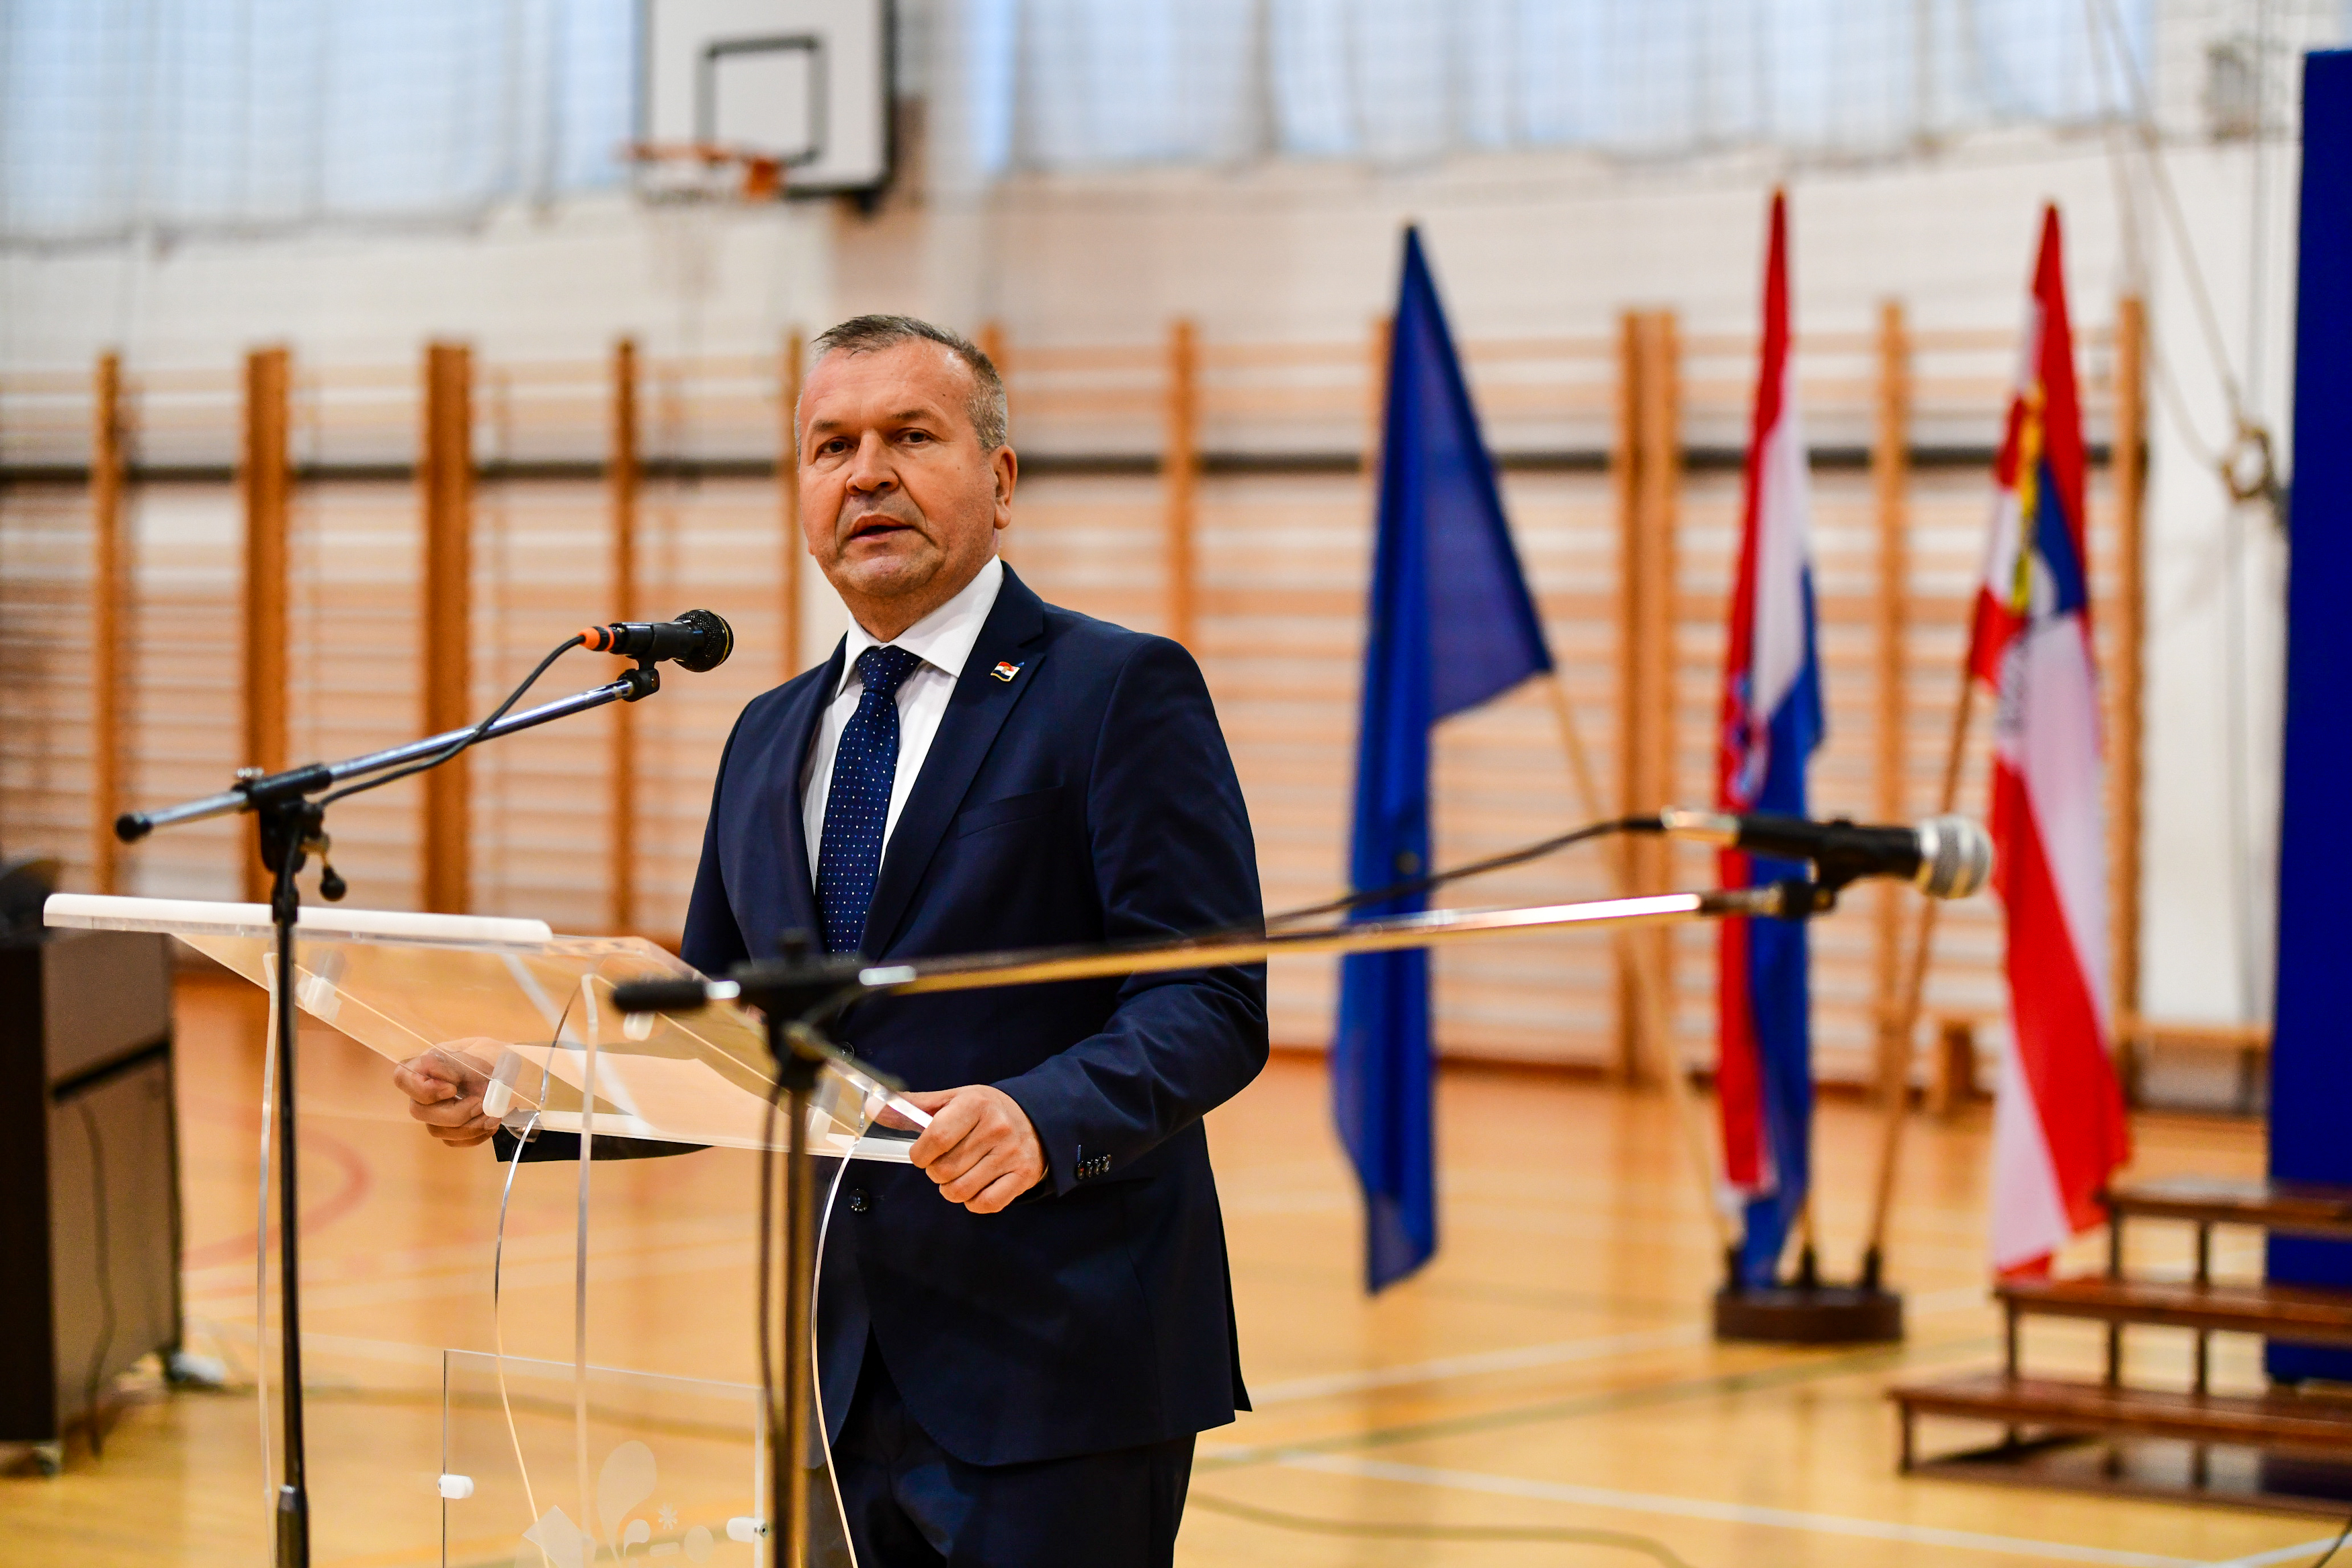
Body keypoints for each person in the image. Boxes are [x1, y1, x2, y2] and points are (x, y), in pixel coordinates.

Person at [392, 314, 1268, 1566]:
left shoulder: (1116, 688)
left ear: (1000, 479)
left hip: (1062, 1362)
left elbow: (1211, 997)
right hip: (832, 1367)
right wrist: (532, 1083)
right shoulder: (766, 733)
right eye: (831, 446)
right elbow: (729, 1038)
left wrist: (1042, 1113)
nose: (867, 474)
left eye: (911, 436)